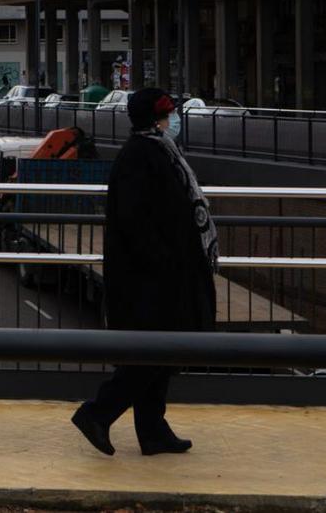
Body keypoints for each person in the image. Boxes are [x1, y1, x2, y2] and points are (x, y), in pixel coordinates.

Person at [71, 87, 218, 457]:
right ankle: (97, 414)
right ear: (157, 119)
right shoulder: (141, 156)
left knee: (161, 353)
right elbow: (137, 223)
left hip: (158, 277)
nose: (175, 122)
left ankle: (152, 430)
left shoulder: (158, 152)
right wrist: (167, 262)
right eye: (170, 116)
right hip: (149, 282)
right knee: (153, 354)